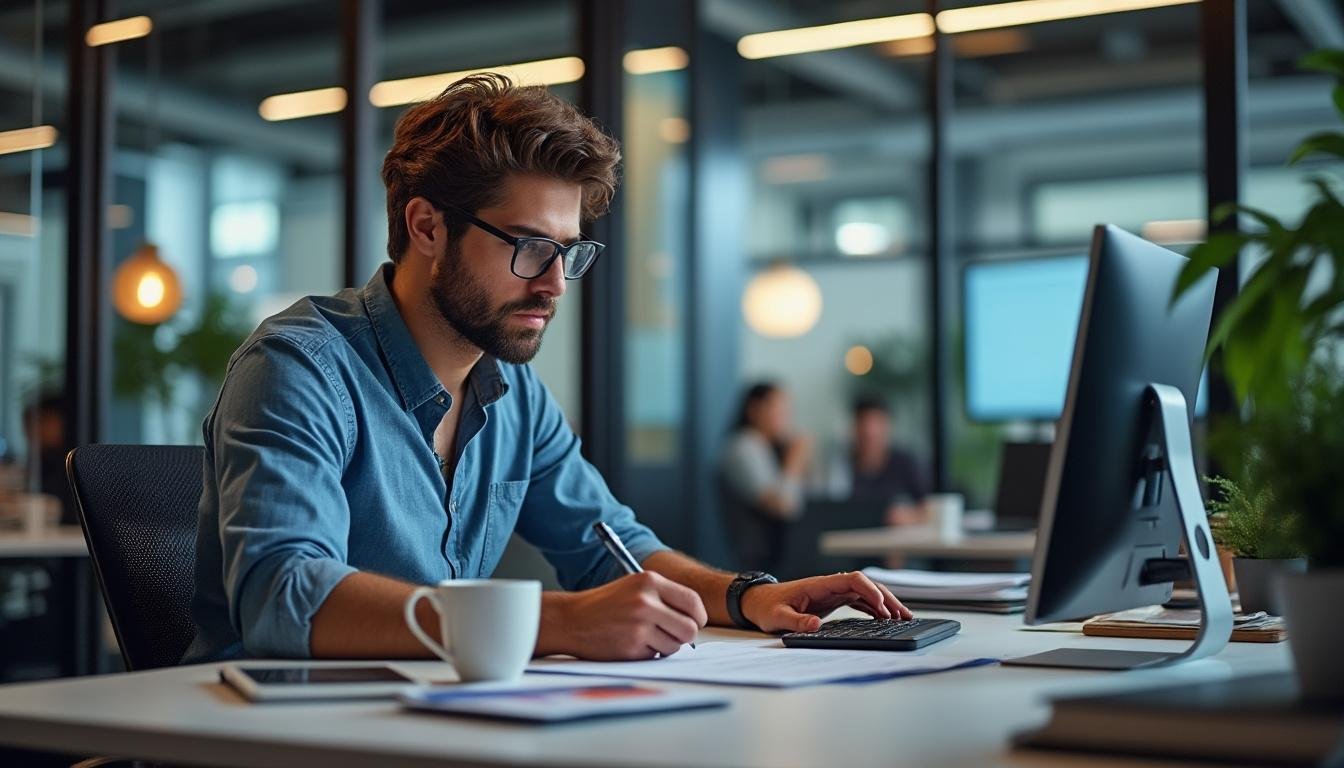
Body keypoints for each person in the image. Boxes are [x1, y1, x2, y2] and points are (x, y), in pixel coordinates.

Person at [184, 74, 909, 664]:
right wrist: (553, 623)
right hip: (270, 736)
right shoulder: (299, 366)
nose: (555, 284)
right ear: (427, 227)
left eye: (568, 252)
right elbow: (283, 597)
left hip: (422, 721)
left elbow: (610, 548)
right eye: (529, 247)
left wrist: (748, 597)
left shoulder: (512, 392)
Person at [718, 383, 813, 573]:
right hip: (763, 559)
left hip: (781, 552)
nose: (785, 418)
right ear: (754, 410)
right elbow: (782, 506)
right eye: (778, 409)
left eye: (787, 411)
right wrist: (794, 461)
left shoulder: (768, 448)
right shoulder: (743, 448)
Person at [839, 396, 930, 527]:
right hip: (854, 539)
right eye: (863, 423)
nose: (870, 431)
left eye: (876, 423)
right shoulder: (842, 465)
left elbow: (930, 506)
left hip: (894, 540)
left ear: (887, 426)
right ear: (854, 428)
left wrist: (911, 516)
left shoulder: (904, 463)